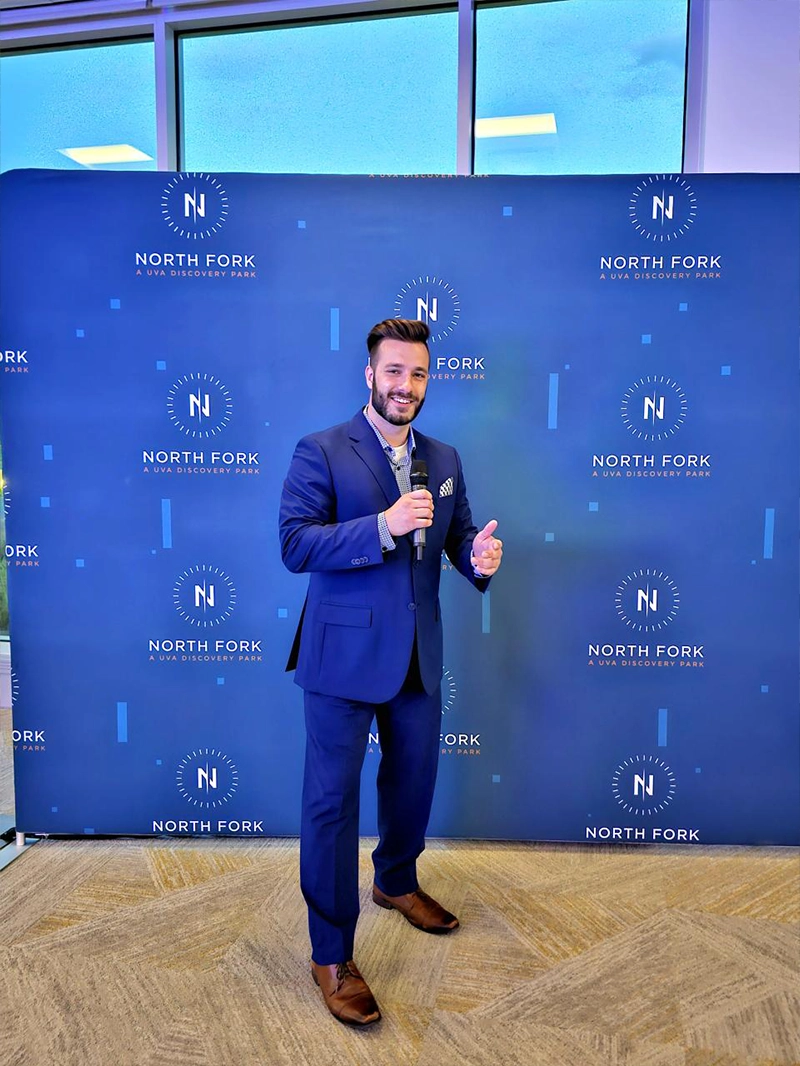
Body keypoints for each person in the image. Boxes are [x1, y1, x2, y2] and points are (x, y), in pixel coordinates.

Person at [279, 318, 503, 1026]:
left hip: (417, 656)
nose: (405, 386)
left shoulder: (445, 456)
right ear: (369, 375)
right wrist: (383, 524)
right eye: (394, 372)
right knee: (332, 807)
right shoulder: (320, 450)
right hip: (340, 660)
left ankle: (396, 882)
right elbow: (295, 544)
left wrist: (477, 561)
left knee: (412, 787)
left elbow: (459, 539)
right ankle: (330, 954)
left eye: (418, 375)